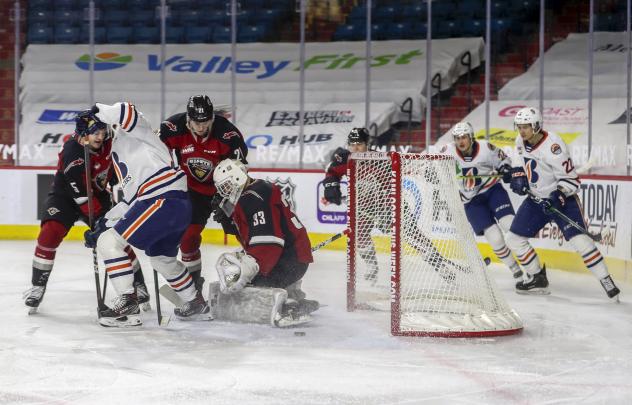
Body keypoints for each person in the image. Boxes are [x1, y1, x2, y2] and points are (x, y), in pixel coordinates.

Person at [84, 102, 209, 327]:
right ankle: (196, 302)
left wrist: (96, 109)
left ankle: (128, 303)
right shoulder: (118, 153)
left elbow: (127, 109)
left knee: (108, 244)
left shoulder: (135, 131)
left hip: (162, 198)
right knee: (162, 259)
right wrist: (106, 221)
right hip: (172, 203)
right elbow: (131, 200)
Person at [23, 111, 149, 314]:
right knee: (50, 232)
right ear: (83, 134)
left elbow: (120, 166)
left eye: (102, 131)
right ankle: (38, 286)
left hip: (98, 196)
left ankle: (138, 285)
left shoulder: (110, 143)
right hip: (65, 197)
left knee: (116, 239)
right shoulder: (72, 151)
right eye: (94, 133)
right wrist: (99, 221)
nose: (99, 136)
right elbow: (80, 194)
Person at [322, 128, 464, 284]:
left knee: (412, 235)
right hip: (363, 206)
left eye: (360, 144)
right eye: (352, 144)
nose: (355, 148)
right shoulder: (346, 159)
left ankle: (440, 266)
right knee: (360, 235)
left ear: (367, 144)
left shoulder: (381, 158)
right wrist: (331, 186)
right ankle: (371, 265)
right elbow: (332, 172)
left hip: (390, 204)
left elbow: (409, 168)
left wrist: (429, 173)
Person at [506, 107, 620, 299]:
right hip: (535, 200)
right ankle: (537, 278)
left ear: (536, 125)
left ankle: (607, 281)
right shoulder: (520, 140)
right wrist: (517, 173)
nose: (522, 130)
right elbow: (519, 159)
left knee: (581, 242)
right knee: (513, 239)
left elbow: (571, 180)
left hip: (563, 200)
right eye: (519, 126)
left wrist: (558, 195)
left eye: (526, 126)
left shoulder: (553, 146)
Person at [209, 159, 318, 327]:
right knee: (245, 276)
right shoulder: (257, 188)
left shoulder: (253, 198)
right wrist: (228, 218)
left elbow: (269, 242)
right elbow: (249, 231)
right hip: (291, 257)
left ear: (237, 178)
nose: (225, 193)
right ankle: (292, 294)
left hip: (288, 261)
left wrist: (250, 268)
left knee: (250, 284)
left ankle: (290, 305)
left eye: (227, 186)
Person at [159, 95, 248, 294]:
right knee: (188, 237)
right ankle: (193, 284)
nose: (201, 127)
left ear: (212, 118)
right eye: (196, 122)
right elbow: (154, 156)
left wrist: (227, 198)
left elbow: (238, 171)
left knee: (243, 231)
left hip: (225, 190)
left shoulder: (228, 135)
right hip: (193, 191)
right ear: (188, 118)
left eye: (205, 122)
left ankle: (263, 269)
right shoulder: (173, 127)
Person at [440, 122, 523, 279]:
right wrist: (435, 173)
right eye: (457, 138)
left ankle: (531, 267)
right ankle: (515, 270)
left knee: (509, 225)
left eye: (464, 137)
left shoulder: (486, 148)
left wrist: (505, 169)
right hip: (471, 201)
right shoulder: (448, 151)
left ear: (471, 137)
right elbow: (435, 168)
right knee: (495, 238)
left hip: (492, 191)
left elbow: (504, 161)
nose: (460, 141)